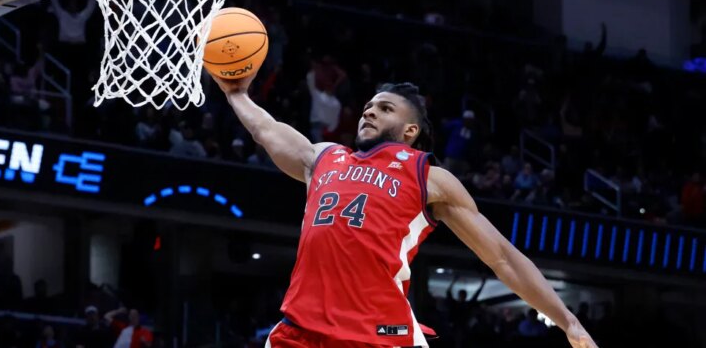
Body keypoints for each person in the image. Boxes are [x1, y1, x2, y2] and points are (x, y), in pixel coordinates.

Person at [209, 72, 598, 348]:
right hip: (302, 331)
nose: (369, 112)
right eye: (367, 106)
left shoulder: (428, 176)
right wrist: (236, 95)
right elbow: (267, 129)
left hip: (380, 334)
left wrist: (568, 320)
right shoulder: (324, 158)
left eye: (384, 108)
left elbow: (503, 258)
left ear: (410, 130)